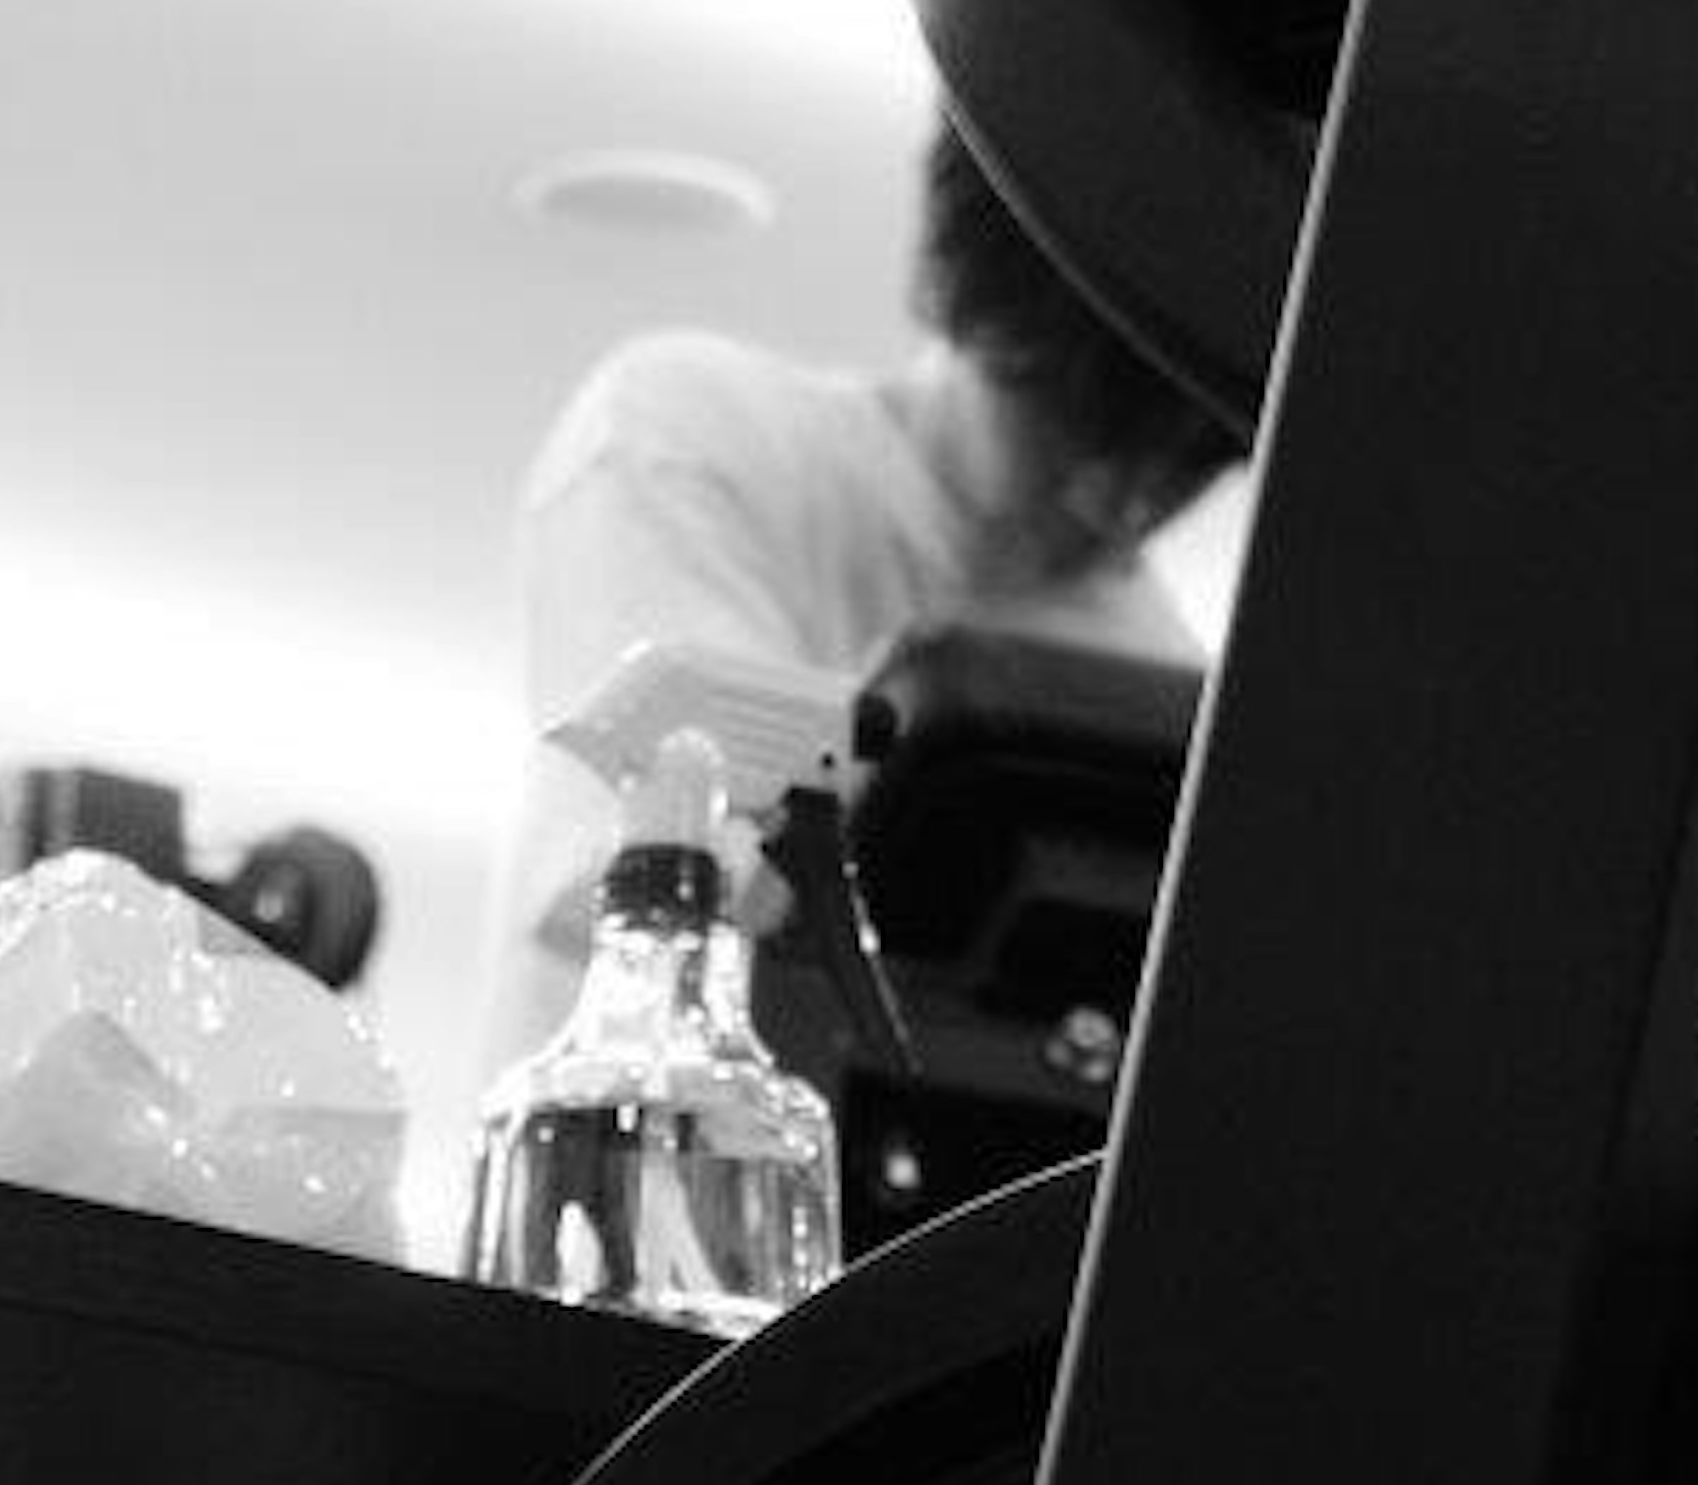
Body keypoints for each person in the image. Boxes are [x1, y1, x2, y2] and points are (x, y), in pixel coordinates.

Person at [480, 120, 1246, 1081]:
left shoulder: (1170, 694)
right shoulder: (695, 439)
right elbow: (679, 873)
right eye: (1076, 432)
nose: (1117, 497)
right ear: (982, 320)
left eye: (1182, 468)